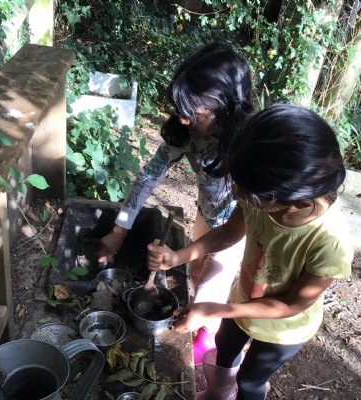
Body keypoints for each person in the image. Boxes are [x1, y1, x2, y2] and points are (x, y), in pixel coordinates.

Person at [147, 104, 354, 400]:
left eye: (245, 191)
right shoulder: (260, 191)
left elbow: (290, 305)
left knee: (250, 380)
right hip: (242, 300)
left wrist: (217, 309)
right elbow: (228, 233)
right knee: (224, 347)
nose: (236, 193)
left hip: (284, 329)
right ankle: (219, 393)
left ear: (294, 200)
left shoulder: (330, 243)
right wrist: (179, 257)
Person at [97, 42, 254, 364]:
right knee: (194, 273)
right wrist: (119, 230)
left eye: (194, 113)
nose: (183, 120)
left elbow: (232, 231)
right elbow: (147, 177)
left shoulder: (248, 143)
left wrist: (180, 256)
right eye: (181, 110)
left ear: (225, 107)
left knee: (209, 292)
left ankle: (203, 347)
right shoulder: (188, 132)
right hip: (207, 216)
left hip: (237, 228)